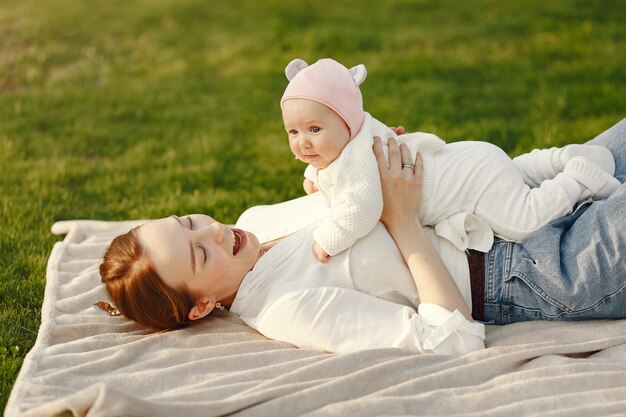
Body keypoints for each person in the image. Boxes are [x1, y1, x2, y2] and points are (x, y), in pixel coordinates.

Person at [99, 117, 626, 356]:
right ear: (201, 307)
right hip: (528, 270)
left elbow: (351, 198)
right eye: (198, 253)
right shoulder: (287, 309)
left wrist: (367, 155)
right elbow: (450, 341)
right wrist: (402, 223)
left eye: (190, 222)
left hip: (506, 190)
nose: (215, 231)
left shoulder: (255, 219)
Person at [280, 58, 621, 263]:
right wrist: (316, 178)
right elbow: (327, 166)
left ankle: (575, 176)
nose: (304, 142)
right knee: (514, 172)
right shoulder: (353, 140)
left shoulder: (359, 160)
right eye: (293, 132)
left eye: (313, 129)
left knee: (525, 220)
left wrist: (329, 239)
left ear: (347, 123)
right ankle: (555, 158)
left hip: (471, 184)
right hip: (471, 160)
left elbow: (362, 208)